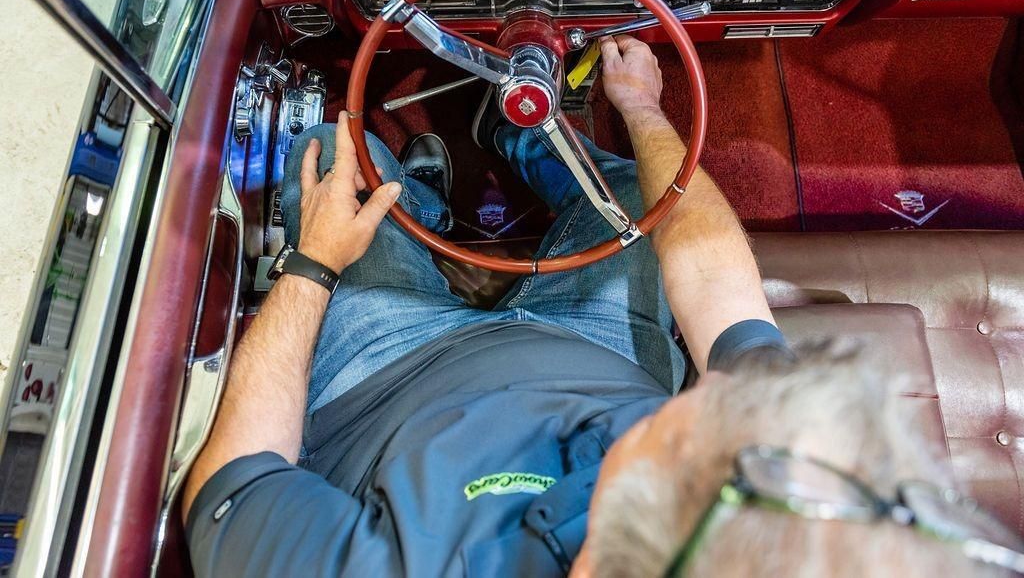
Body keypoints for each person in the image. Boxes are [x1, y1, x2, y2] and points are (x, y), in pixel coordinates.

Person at [181, 37, 1020, 576]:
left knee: (335, 151)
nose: (710, 393)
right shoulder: (780, 475)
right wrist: (643, 109)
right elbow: (717, 287)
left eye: (686, 420)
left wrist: (312, 264)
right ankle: (524, 139)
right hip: (602, 349)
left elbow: (234, 480)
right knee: (633, 192)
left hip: (385, 378)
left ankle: (419, 200)